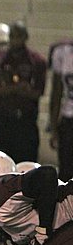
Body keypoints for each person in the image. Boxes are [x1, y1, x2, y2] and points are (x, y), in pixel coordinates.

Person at [0, 21, 46, 163]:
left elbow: (37, 92)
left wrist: (8, 89)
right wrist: (17, 88)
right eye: (12, 36)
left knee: (24, 165)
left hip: (24, 121)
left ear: (25, 37)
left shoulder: (36, 61)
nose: (15, 40)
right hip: (0, 121)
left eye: (19, 36)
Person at [48, 38, 73, 181]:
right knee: (66, 173)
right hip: (68, 118)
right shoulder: (62, 52)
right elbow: (56, 93)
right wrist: (53, 127)